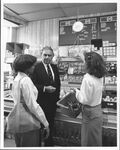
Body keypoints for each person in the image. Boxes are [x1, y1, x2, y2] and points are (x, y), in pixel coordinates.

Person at [11, 54, 49, 147]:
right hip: (28, 122)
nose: (34, 67)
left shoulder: (17, 79)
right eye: (33, 65)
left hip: (18, 120)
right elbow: (33, 105)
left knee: (19, 145)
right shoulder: (26, 80)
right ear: (26, 67)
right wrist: (45, 123)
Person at [72, 51, 107, 146]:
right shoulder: (99, 76)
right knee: (96, 140)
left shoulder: (87, 79)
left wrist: (76, 92)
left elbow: (84, 99)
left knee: (88, 142)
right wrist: (83, 57)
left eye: (85, 62)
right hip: (97, 113)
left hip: (89, 114)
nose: (84, 64)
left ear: (89, 64)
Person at [32, 46, 61, 146]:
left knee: (50, 126)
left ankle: (49, 145)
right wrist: (44, 88)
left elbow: (58, 84)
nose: (47, 57)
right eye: (45, 55)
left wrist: (58, 100)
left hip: (52, 104)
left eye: (49, 55)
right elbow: (32, 85)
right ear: (41, 55)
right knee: (40, 128)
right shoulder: (35, 67)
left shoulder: (54, 67)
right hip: (40, 104)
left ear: (53, 56)